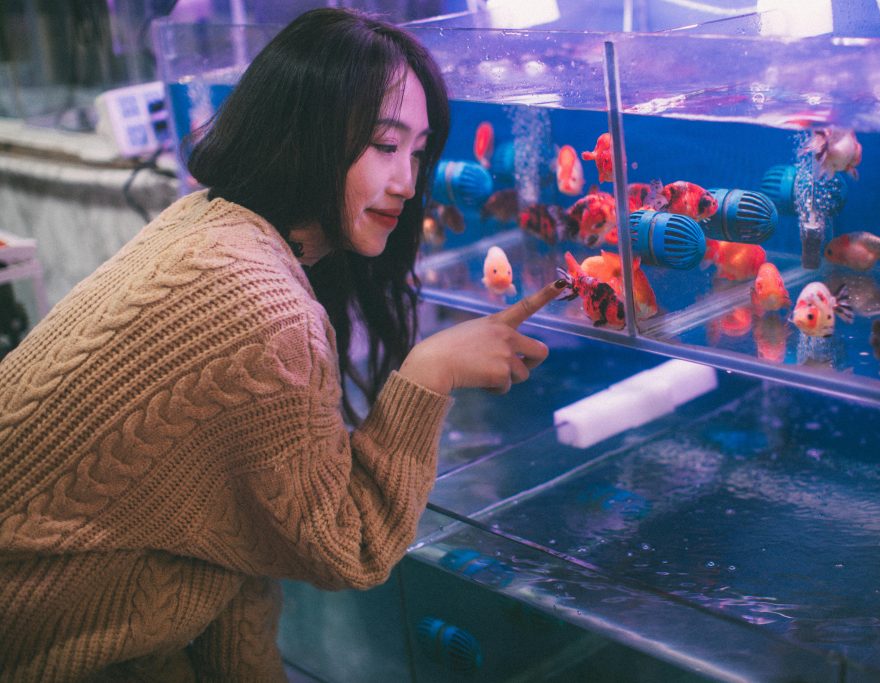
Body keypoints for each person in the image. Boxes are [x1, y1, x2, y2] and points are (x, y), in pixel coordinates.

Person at [0, 8, 565, 681]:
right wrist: (430, 371)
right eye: (385, 145)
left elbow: (229, 548)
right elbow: (350, 545)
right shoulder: (264, 309)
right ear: (306, 135)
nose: (409, 183)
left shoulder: (210, 219)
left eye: (417, 152)